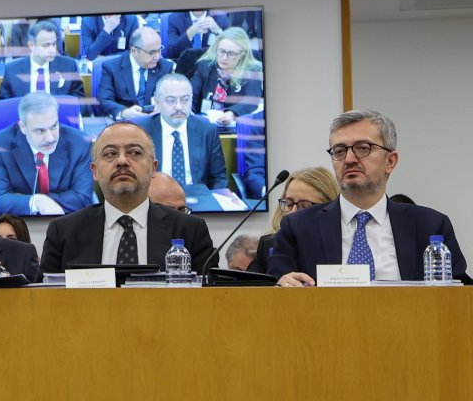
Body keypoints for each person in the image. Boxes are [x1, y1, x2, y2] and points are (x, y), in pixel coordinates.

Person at [269, 110, 468, 285]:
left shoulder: (429, 226)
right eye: (339, 151)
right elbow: (277, 290)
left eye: (363, 148)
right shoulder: (298, 227)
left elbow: (460, 297)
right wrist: (282, 285)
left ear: (390, 161)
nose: (349, 159)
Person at [40, 121, 216, 274]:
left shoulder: (190, 231)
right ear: (94, 171)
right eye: (110, 154)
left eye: (135, 153)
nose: (122, 161)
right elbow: (42, 303)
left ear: (154, 168)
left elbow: (209, 302)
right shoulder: (63, 232)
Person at [0, 91, 94, 216]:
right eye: (40, 131)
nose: (50, 138)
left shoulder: (79, 143)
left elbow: (83, 198)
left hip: (67, 220)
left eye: (53, 126)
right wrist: (35, 202)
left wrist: (42, 202)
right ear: (23, 127)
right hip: (20, 224)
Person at [135, 74, 228, 190]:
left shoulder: (207, 130)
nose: (179, 107)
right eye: (170, 100)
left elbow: (219, 178)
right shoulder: (140, 131)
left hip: (197, 198)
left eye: (185, 100)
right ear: (157, 103)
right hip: (155, 197)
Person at [248, 166, 340, 275]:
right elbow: (251, 287)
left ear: (329, 208)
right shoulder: (269, 244)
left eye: (305, 206)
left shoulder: (344, 242)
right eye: (289, 203)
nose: (292, 213)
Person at [0, 20, 87, 102]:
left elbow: (81, 101)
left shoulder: (68, 66)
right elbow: (3, 105)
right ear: (31, 46)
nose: (52, 50)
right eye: (46, 45)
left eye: (54, 44)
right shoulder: (12, 70)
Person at [97, 26, 174, 120]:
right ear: (134, 51)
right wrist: (124, 112)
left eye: (159, 50)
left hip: (156, 121)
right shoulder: (111, 68)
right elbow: (104, 101)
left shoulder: (166, 67)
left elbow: (172, 98)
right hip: (126, 123)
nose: (157, 57)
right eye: (152, 52)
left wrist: (161, 107)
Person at [191, 26, 263, 124]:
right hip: (205, 124)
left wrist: (232, 113)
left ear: (242, 54)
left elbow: (251, 100)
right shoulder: (205, 66)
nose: (224, 58)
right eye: (222, 51)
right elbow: (191, 94)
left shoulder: (252, 71)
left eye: (231, 54)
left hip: (235, 126)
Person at [161, 10, 229, 61]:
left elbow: (231, 49)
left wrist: (218, 31)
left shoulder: (220, 17)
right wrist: (190, 33)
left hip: (210, 65)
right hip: (185, 66)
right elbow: (171, 53)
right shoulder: (175, 18)